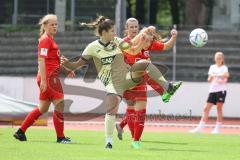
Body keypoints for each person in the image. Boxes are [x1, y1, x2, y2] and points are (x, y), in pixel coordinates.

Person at [61, 16, 182, 149]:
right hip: (113, 82)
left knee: (144, 63)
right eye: (112, 31)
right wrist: (67, 64)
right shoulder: (92, 47)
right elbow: (77, 65)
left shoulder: (117, 41)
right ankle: (109, 142)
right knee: (112, 109)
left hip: (127, 76)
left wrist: (142, 41)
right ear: (104, 32)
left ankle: (168, 87)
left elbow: (134, 50)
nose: (115, 33)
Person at [116, 18, 179, 149]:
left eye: (136, 27)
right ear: (126, 28)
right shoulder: (125, 42)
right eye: (131, 27)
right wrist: (145, 32)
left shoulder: (147, 43)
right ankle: (165, 91)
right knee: (131, 112)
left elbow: (166, 45)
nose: (134, 29)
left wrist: (174, 37)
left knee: (140, 114)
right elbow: (132, 46)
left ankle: (135, 141)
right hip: (127, 81)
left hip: (141, 82)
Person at [13, 14, 74, 143]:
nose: (55, 26)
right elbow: (41, 60)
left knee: (42, 108)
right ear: (45, 25)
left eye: (56, 24)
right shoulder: (45, 39)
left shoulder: (50, 39)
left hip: (47, 77)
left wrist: (67, 70)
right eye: (52, 24)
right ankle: (60, 137)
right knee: (59, 104)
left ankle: (20, 132)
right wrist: (45, 80)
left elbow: (52, 61)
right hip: (49, 79)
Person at [189, 51, 229, 134]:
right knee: (206, 108)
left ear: (222, 59)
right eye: (217, 58)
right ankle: (200, 128)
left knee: (219, 108)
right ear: (215, 59)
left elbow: (226, 75)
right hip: (212, 90)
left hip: (221, 91)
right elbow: (209, 79)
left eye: (219, 58)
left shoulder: (224, 67)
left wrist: (216, 75)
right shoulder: (212, 67)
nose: (218, 59)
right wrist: (213, 76)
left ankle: (217, 129)